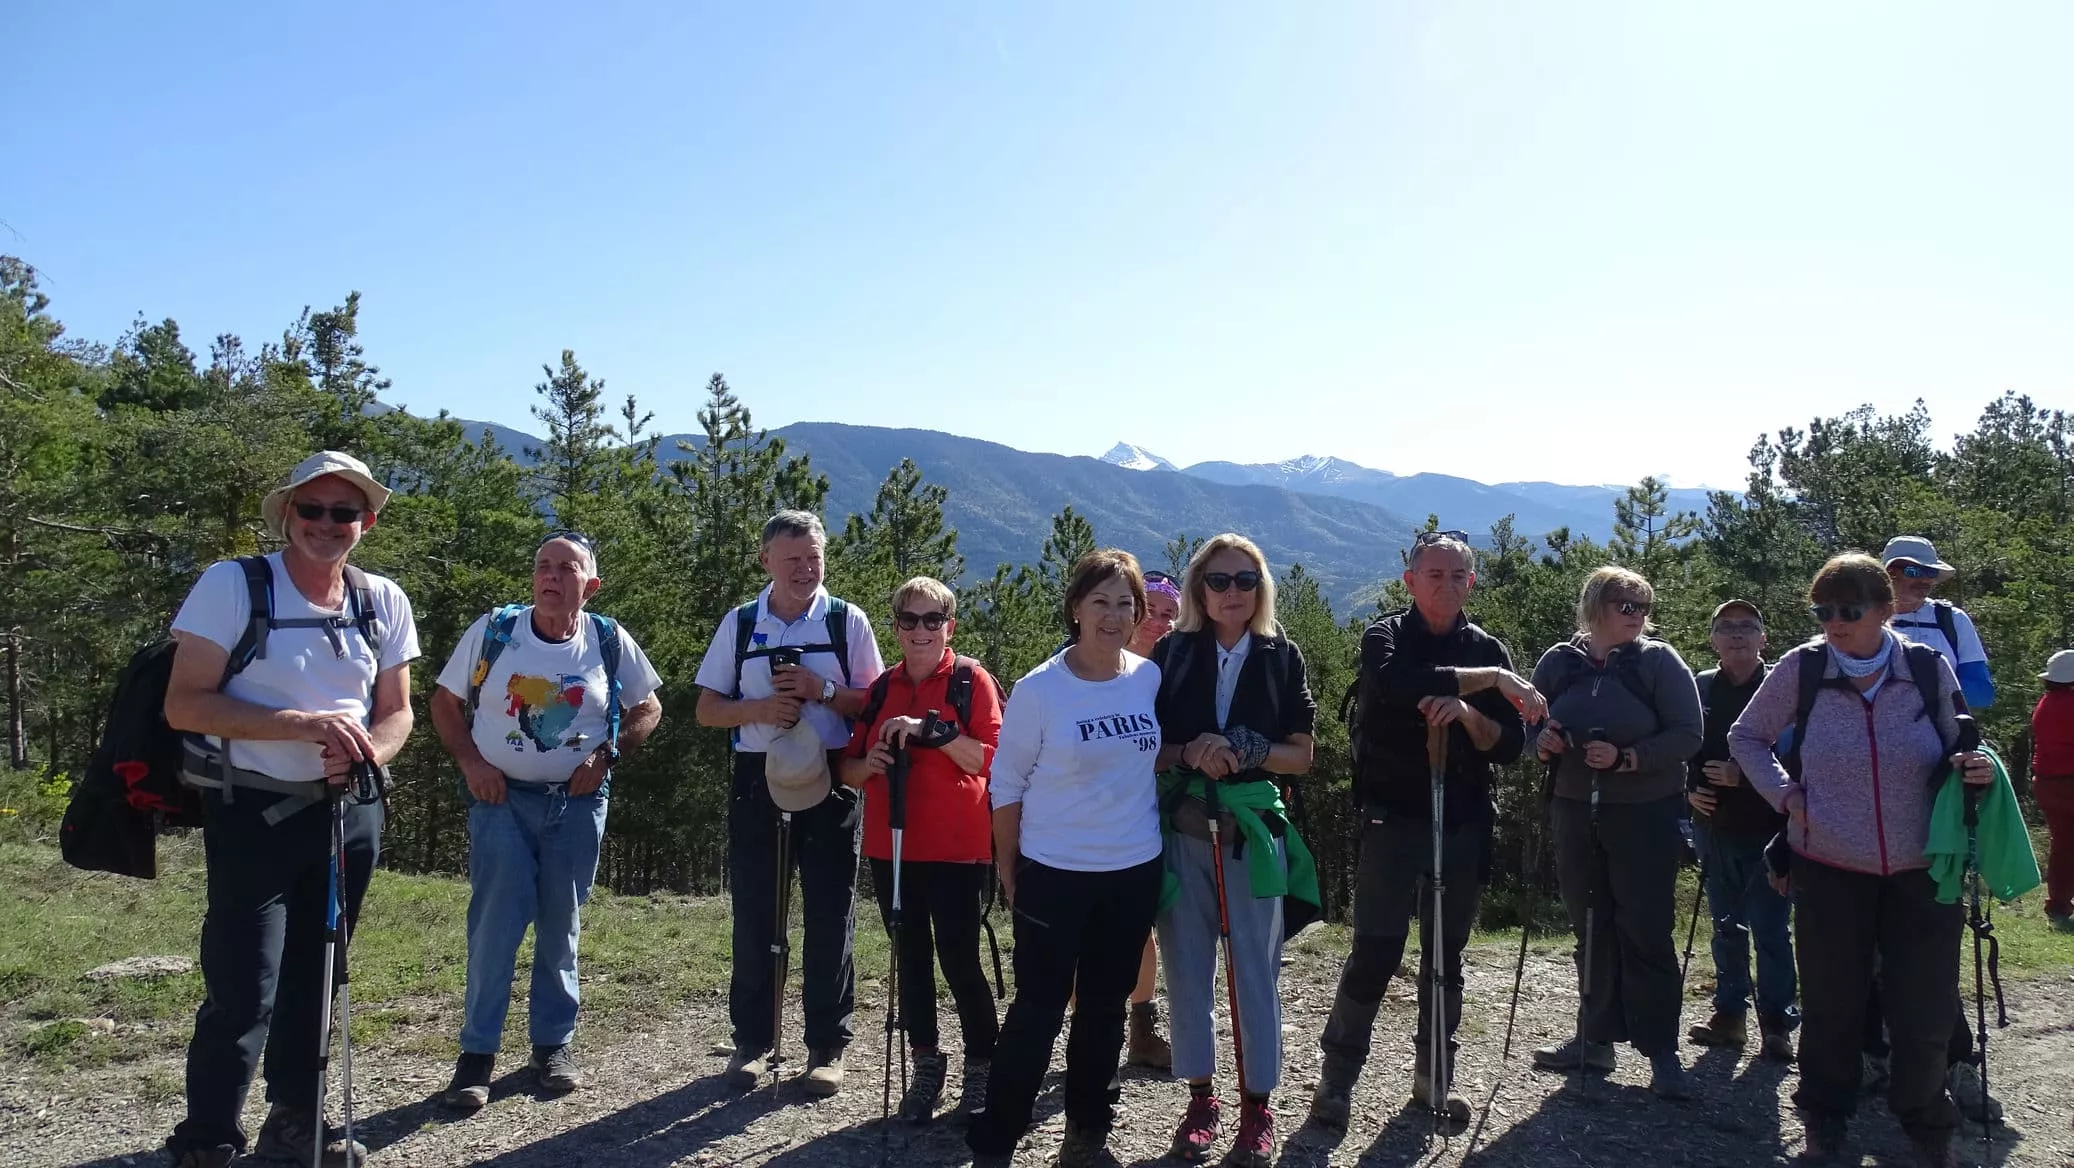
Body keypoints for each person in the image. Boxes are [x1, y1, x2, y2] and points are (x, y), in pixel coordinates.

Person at [162, 452, 421, 1168]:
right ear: (287, 514)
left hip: (347, 814)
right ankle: (208, 1136)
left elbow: (397, 714)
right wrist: (303, 726)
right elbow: (185, 703)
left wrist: (366, 749)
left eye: (345, 513)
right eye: (313, 510)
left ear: (366, 523)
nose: (328, 524)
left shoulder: (381, 601)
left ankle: (295, 1123)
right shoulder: (233, 585)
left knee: (322, 972)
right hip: (253, 810)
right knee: (244, 982)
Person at [1729, 554, 1992, 1168]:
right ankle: (1825, 1119)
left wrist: (1975, 772)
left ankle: (1928, 1126)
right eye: (1823, 611)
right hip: (1827, 865)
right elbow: (1747, 737)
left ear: (1884, 610)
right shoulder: (1803, 667)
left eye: (1848, 610)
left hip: (1923, 867)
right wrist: (1786, 797)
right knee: (1831, 1003)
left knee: (1923, 1005)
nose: (1834, 623)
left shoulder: (1926, 668)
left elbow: (1961, 746)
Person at [1311, 531, 1536, 1128]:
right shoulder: (1385, 636)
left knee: (1446, 953)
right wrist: (1487, 681)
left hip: (1460, 821)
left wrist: (1467, 714)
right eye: (1434, 574)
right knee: (1376, 950)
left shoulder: (1489, 647)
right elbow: (1395, 685)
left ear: (1472, 582)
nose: (1448, 584)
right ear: (1410, 581)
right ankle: (1337, 1080)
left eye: (1458, 574)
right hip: (1392, 816)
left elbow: (1512, 745)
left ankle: (1434, 1077)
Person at [431, 532, 664, 1110]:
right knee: (494, 927)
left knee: (561, 923)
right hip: (499, 800)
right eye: (543, 566)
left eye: (567, 568)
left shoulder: (607, 638)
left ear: (591, 583)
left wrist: (607, 755)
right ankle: (476, 1057)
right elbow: (442, 700)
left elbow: (648, 706)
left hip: (578, 805)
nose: (552, 576)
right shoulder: (496, 631)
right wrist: (470, 762)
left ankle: (551, 1046)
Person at [965, 550, 1165, 1168]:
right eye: (1100, 601)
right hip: (1054, 871)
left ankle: (1086, 1130)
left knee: (1105, 1007)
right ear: (1076, 607)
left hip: (1132, 870)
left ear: (1138, 614)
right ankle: (999, 1133)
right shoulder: (1040, 689)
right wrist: (1007, 863)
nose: (1112, 615)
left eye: (1124, 603)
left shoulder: (1147, 678)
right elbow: (1008, 783)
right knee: (1039, 1007)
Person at [695, 511, 883, 1096]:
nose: (805, 569)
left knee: (830, 913)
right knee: (756, 913)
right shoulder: (742, 621)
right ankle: (753, 1042)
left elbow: (872, 705)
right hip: (758, 775)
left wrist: (819, 689)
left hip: (830, 776)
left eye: (814, 557)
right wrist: (757, 710)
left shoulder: (845, 619)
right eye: (793, 558)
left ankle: (827, 1047)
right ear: (766, 560)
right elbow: (706, 708)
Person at [1150, 534, 1321, 1166]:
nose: (1232, 593)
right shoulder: (1171, 653)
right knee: (1186, 966)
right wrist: (1192, 749)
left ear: (1261, 587)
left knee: (1256, 972)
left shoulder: (1282, 656)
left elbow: (1301, 755)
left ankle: (1258, 1105)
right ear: (1199, 587)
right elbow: (1150, 746)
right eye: (1219, 581)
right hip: (1187, 826)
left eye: (1245, 582)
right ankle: (1201, 1097)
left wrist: (1249, 750)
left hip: (1251, 833)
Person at [1530, 566, 1704, 1100]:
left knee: (1646, 930)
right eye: (1624, 604)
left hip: (1645, 812)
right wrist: (1542, 741)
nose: (1635, 615)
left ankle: (1662, 1054)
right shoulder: (1560, 662)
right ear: (1596, 605)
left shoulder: (1659, 662)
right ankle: (1595, 1039)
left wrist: (1629, 758)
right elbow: (1527, 722)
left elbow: (1688, 734)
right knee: (1591, 924)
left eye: (1642, 606)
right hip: (1574, 809)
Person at [837, 576, 1006, 1122]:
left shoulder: (969, 680)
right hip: (892, 847)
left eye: (932, 620)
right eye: (908, 620)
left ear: (949, 626)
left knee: (959, 960)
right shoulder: (883, 688)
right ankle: (927, 1063)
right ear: (896, 627)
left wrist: (930, 732)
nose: (920, 631)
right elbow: (847, 765)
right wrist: (870, 766)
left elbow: (990, 757)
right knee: (908, 960)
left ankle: (982, 1068)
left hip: (957, 848)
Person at [1879, 536, 2002, 1120]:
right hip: (1870, 786)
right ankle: (1876, 1054)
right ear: (1885, 574)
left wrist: (1927, 677)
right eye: (1909, 572)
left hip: (1942, 782)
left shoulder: (1951, 623)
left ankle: (1954, 1063)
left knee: (1932, 927)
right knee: (1865, 936)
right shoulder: (1858, 617)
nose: (1920, 581)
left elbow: (1981, 691)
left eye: (1929, 573)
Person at [1684, 600, 1797, 1061]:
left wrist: (1745, 777)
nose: (1737, 636)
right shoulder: (1700, 687)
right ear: (1712, 639)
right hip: (1713, 827)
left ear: (1763, 639)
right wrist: (1689, 790)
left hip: (1771, 831)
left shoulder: (1783, 688)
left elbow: (1804, 760)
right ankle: (1729, 1017)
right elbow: (1682, 745)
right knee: (1726, 927)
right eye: (1726, 628)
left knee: (1771, 928)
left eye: (1747, 627)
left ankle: (1777, 1024)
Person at [1122, 570, 1182, 1070]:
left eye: (1170, 615)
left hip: (1159, 806)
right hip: (1100, 811)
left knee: (1142, 920)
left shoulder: (1177, 672)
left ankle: (1142, 1025)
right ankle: (1090, 1030)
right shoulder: (1097, 666)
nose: (1160, 623)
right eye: (1152, 612)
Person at [1882, 537, 1995, 711]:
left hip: (1943, 735)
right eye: (1914, 572)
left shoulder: (1952, 619)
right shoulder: (1863, 619)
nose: (1925, 580)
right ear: (1890, 573)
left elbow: (1981, 694)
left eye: (1931, 572)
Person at [2034, 650, 2074, 931]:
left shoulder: (2045, 703)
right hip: (2068, 781)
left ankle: (2058, 904)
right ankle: (2058, 905)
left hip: (2047, 782)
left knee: (2063, 846)